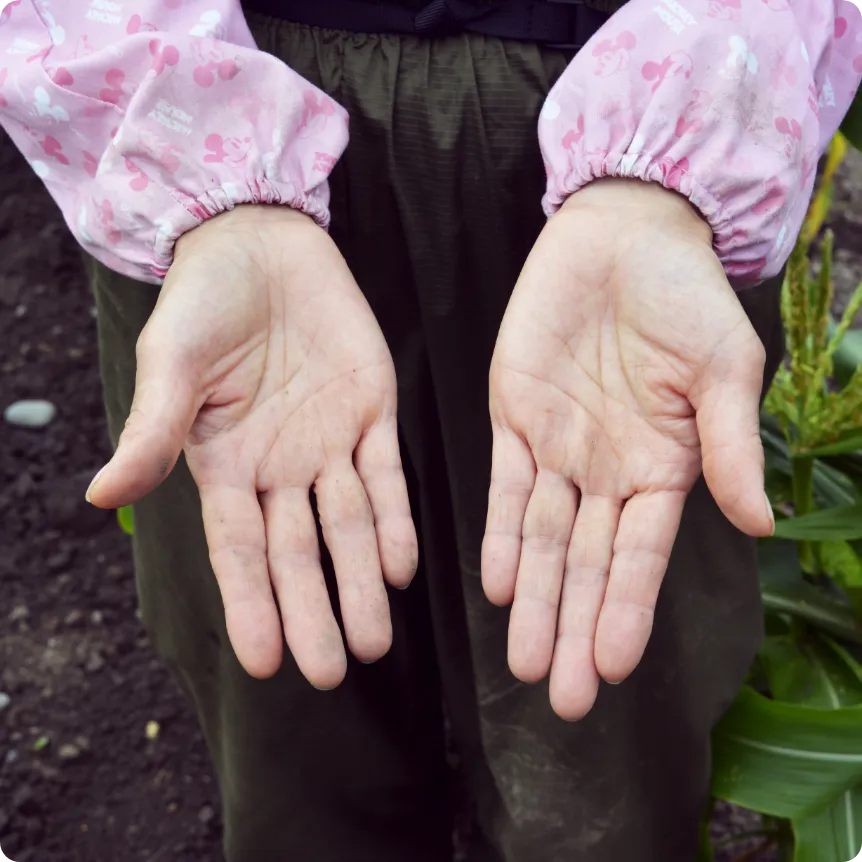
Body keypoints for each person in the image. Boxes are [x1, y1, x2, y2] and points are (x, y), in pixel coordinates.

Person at [1, 0, 859, 859]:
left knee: (603, 752)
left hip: (646, 90)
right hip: (207, 109)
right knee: (292, 731)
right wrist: (195, 167)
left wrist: (687, 134)